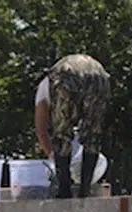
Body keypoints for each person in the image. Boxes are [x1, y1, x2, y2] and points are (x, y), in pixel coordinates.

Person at [33, 54, 110, 199]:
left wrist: (52, 156)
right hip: (99, 74)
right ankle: (85, 190)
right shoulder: (49, 84)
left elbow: (41, 130)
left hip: (66, 75)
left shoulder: (44, 88)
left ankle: (64, 190)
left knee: (61, 133)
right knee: (93, 134)